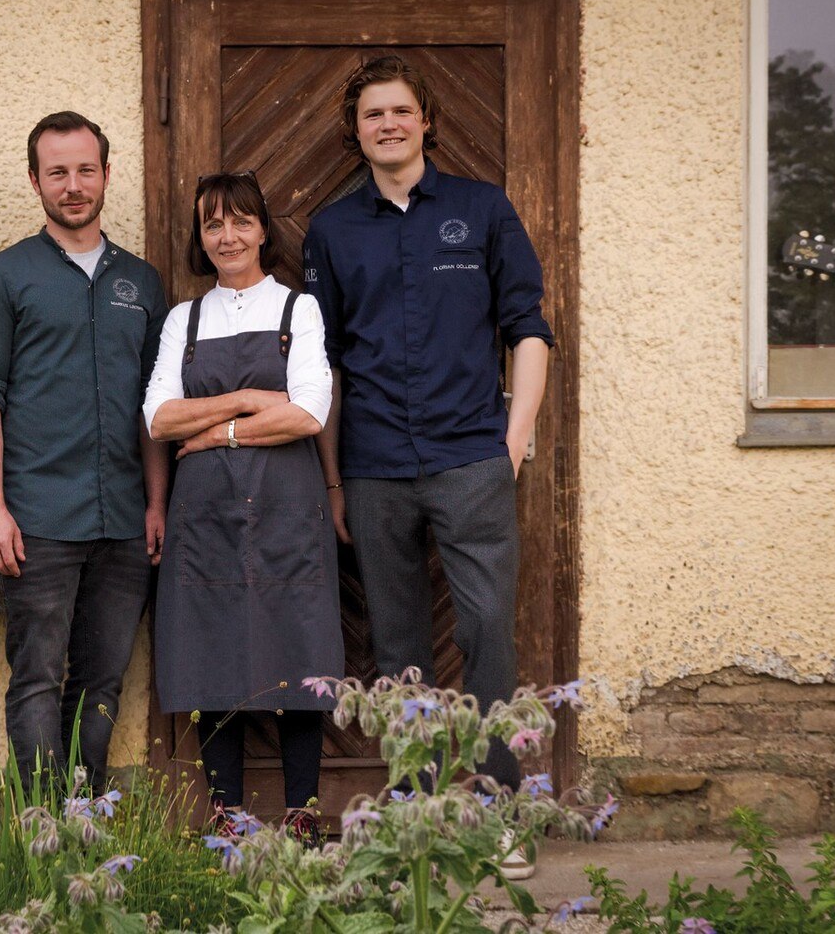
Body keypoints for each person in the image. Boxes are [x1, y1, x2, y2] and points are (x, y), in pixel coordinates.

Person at [304, 55, 553, 873]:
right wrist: (335, 477)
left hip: (471, 458)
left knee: (485, 634)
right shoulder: (334, 230)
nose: (388, 124)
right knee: (398, 643)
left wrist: (511, 442)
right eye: (373, 114)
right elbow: (327, 363)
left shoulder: (481, 210)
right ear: (357, 130)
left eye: (400, 111)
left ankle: (502, 811)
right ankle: (418, 815)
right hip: (374, 465)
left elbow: (528, 331)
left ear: (426, 120)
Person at [0, 111, 169, 792]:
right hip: (37, 519)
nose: (74, 185)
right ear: (35, 180)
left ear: (106, 175)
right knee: (37, 681)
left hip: (122, 522)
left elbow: (152, 407)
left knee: (103, 682)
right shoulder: (5, 277)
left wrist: (156, 502)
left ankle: (86, 835)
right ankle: (38, 841)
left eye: (86, 170)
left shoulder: (141, 281)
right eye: (58, 173)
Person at [143, 171, 343, 840]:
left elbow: (311, 412)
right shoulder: (184, 319)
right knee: (210, 656)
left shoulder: (300, 310)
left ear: (263, 229)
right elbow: (158, 417)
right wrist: (251, 400)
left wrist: (214, 433)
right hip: (203, 518)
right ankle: (227, 817)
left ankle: (303, 812)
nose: (227, 235)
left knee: (300, 650)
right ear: (202, 237)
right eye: (212, 224)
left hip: (288, 508)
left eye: (240, 221)